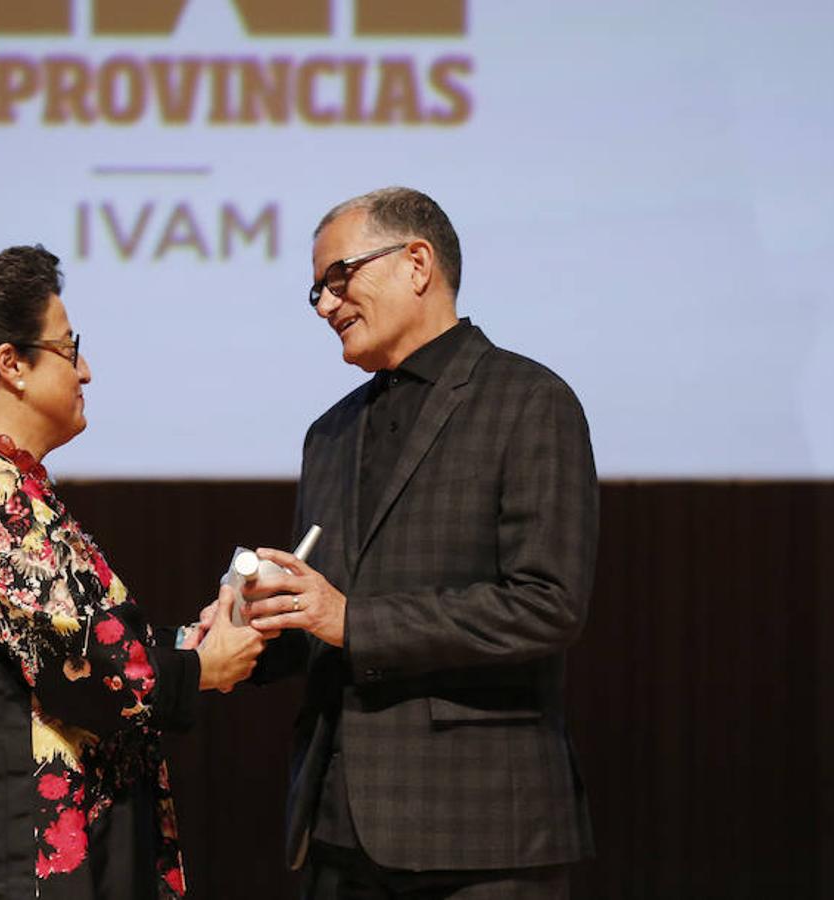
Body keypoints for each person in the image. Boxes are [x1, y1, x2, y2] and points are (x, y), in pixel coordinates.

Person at [0, 245, 264, 899]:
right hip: (7, 857)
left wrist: (185, 647)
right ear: (11, 365)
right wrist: (203, 668)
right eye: (69, 349)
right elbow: (86, 669)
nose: (87, 371)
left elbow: (54, 640)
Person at [242, 188, 599, 898]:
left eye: (338, 280)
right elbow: (322, 618)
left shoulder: (530, 400)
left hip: (478, 836)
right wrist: (245, 629)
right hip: (336, 831)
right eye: (316, 290)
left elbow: (547, 604)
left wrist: (352, 621)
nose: (324, 306)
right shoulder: (330, 432)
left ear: (416, 263)